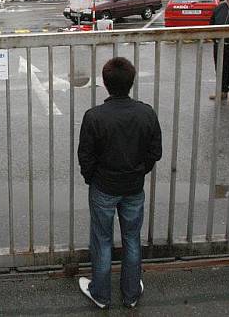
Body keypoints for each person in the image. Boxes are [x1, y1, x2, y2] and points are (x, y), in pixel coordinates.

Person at [77, 57, 162, 309]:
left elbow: (86, 155)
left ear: (105, 83)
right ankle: (131, 292)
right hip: (134, 186)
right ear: (131, 82)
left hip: (104, 186)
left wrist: (91, 178)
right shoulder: (146, 112)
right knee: (132, 238)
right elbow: (154, 151)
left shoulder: (94, 117)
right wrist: (139, 171)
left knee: (102, 239)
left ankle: (101, 294)